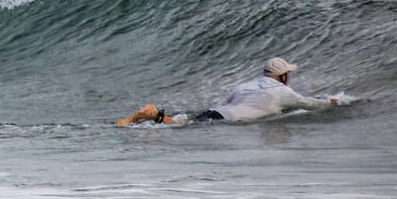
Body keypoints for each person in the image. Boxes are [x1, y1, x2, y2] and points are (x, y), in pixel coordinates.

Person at [116, 57, 338, 126]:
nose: (289, 77)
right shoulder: (283, 92)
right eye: (288, 73)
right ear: (282, 76)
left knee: (185, 123)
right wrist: (333, 102)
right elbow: (311, 104)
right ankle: (153, 115)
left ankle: (152, 117)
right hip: (226, 119)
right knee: (182, 127)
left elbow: (222, 102)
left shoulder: (247, 85)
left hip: (216, 111)